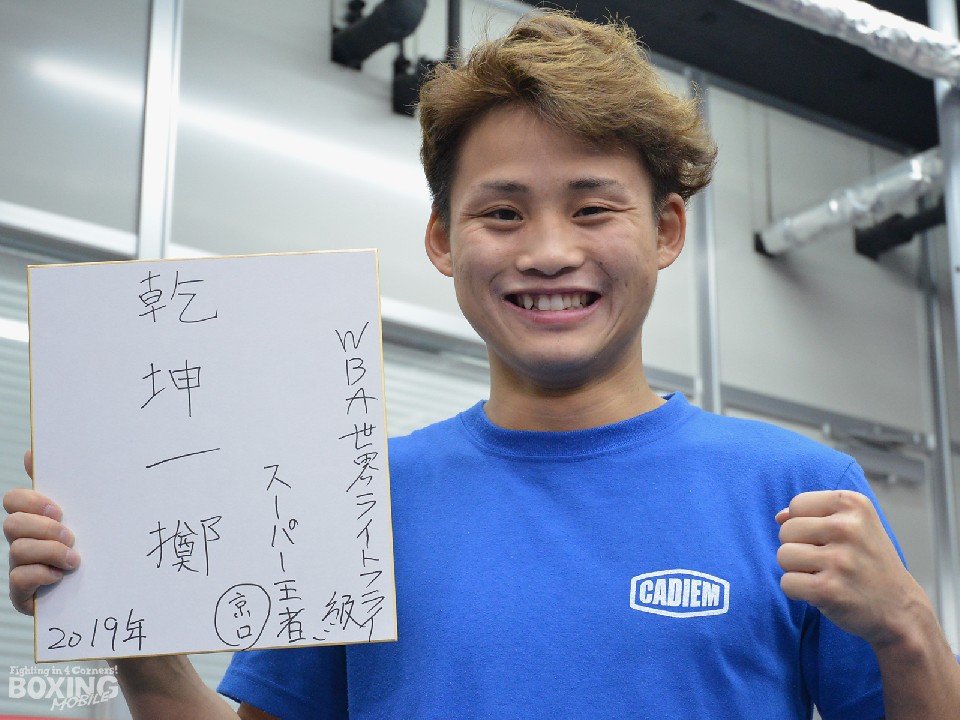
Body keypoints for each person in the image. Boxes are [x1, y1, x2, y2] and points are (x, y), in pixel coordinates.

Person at [5, 10, 960, 719]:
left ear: (667, 229)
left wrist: (909, 629)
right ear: (442, 239)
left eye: (593, 208)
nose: (548, 251)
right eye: (502, 213)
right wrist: (129, 624)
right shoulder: (354, 496)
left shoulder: (799, 494)